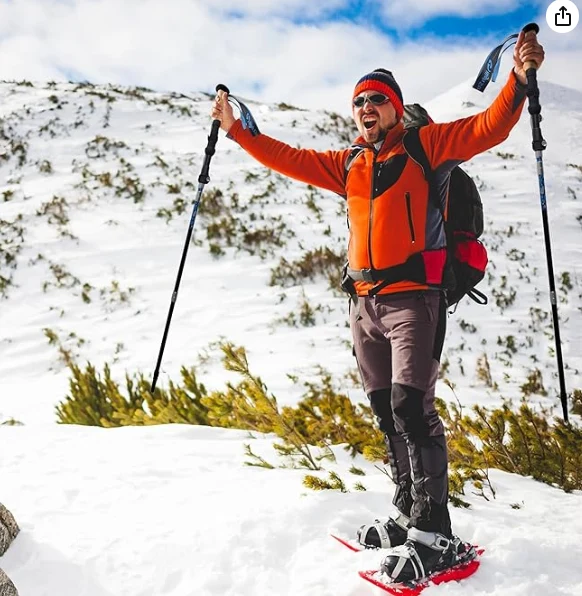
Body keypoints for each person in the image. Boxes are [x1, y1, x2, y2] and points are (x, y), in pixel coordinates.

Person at [211, 30, 544, 582]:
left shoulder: (425, 146)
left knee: (413, 407)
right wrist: (236, 130)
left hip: (414, 302)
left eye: (377, 99)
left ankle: (435, 533)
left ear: (395, 107)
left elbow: (490, 126)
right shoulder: (348, 164)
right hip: (364, 305)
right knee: (387, 411)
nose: (366, 107)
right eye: (359, 101)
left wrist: (518, 77)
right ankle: (407, 511)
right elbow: (287, 157)